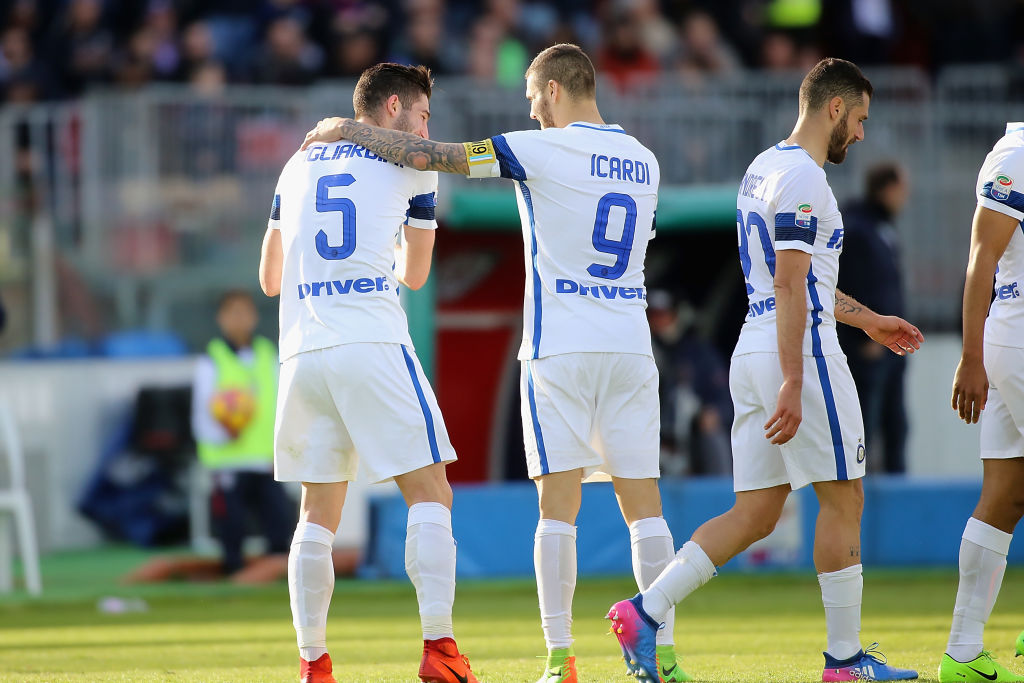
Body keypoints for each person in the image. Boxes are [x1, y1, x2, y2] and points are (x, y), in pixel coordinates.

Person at [301, 44, 690, 683]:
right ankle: (663, 654)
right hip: (628, 344)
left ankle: (561, 659)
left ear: (556, 91)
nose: (531, 110)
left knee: (557, 510)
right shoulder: (642, 161)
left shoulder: (535, 149)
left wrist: (345, 129)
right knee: (645, 507)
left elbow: (437, 157)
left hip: (558, 348)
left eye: (533, 97)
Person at [605, 58, 924, 683]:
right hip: (797, 350)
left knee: (754, 512)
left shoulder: (762, 168)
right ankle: (845, 661)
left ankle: (645, 610)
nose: (860, 134)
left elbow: (800, 282)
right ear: (834, 107)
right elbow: (792, 283)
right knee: (844, 498)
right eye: (858, 119)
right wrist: (795, 379)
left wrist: (870, 320)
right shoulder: (805, 179)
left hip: (753, 346)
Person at [259, 63, 478, 683]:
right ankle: (440, 651)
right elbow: (415, 276)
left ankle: (313, 665)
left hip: (302, 350)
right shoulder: (413, 163)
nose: (427, 127)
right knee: (430, 492)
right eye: (424, 114)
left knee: (316, 513)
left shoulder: (295, 163)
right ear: (391, 108)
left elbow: (270, 280)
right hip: (371, 338)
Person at [940, 122, 1024, 683]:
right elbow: (981, 259)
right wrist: (970, 358)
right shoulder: (1017, 154)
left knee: (1005, 496)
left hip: (1009, 339)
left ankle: (963, 652)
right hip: (1016, 338)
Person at [191, 289, 294, 576]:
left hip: (264, 459)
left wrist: (282, 448)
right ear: (221, 319)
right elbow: (201, 411)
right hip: (227, 461)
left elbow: (280, 403)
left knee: (279, 519)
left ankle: (276, 573)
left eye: (245, 312)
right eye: (232, 313)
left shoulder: (267, 353)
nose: (240, 319)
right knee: (231, 524)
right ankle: (234, 574)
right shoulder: (211, 359)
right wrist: (225, 432)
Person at [837, 162, 911, 473]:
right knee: (863, 426)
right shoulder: (857, 228)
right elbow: (846, 284)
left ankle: (896, 503)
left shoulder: (883, 228)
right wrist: (861, 336)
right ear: (888, 188)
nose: (905, 198)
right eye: (902, 189)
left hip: (892, 346)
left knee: (897, 427)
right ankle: (855, 491)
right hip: (869, 347)